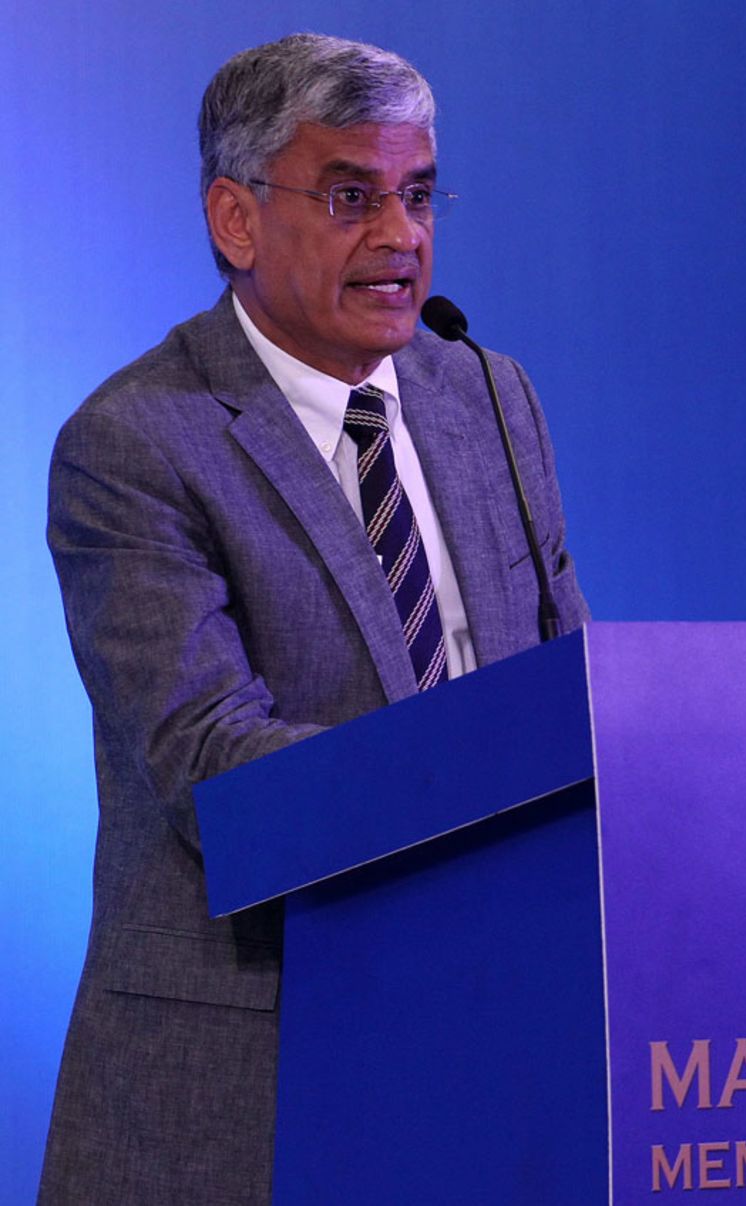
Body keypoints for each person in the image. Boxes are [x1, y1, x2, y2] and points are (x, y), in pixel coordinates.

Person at [39, 33, 588, 1204]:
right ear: (236, 221)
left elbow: (566, 683)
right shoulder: (137, 443)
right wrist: (482, 794)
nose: (401, 238)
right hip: (250, 1059)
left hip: (495, 1033)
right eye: (351, 197)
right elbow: (212, 766)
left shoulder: (488, 394)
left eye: (419, 194)